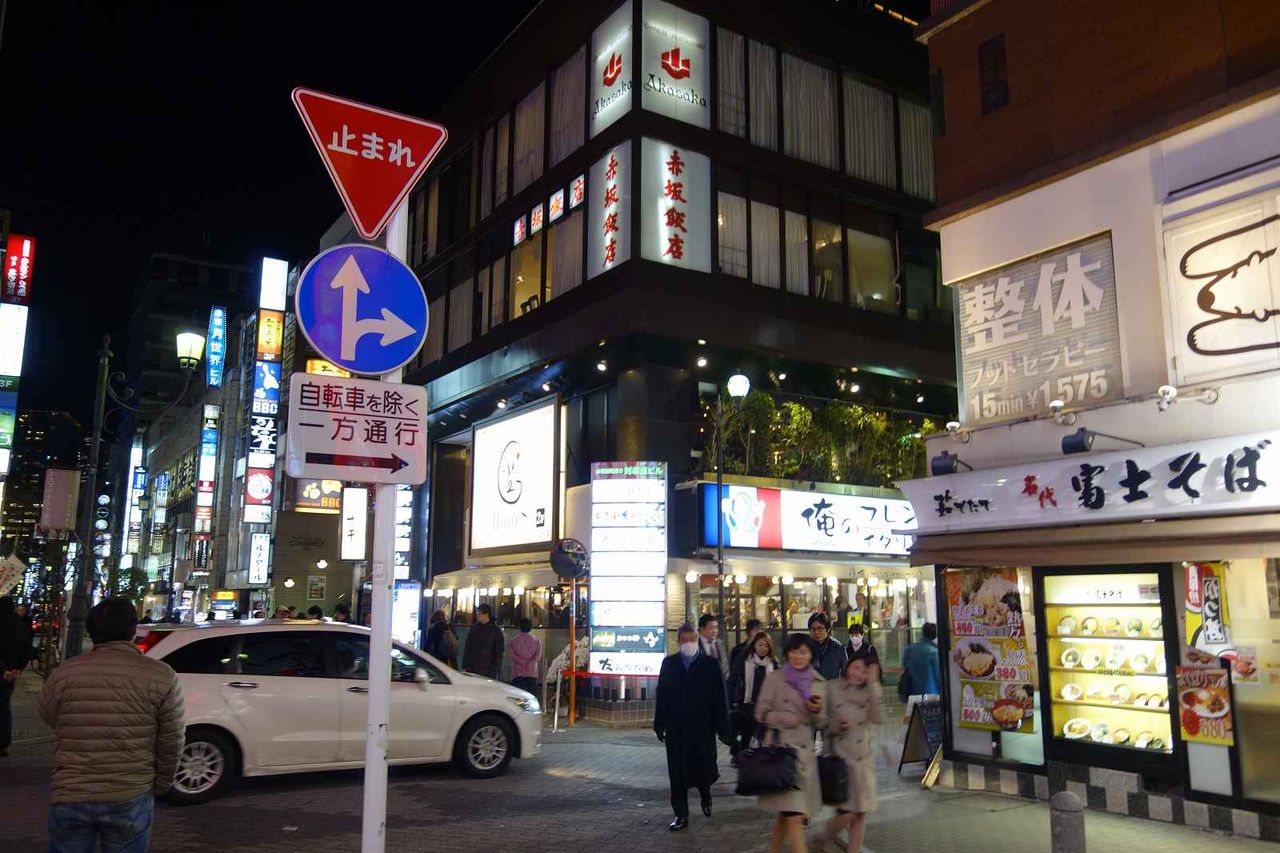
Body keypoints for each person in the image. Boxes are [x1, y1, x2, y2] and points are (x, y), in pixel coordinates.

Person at [39, 597, 184, 852]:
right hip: (130, 791)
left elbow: (49, 715)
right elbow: (172, 739)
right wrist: (162, 783)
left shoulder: (65, 672)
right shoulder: (161, 675)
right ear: (132, 630)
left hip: (72, 789)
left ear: (91, 631)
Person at [755, 633, 828, 852]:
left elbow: (822, 722)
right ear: (787, 654)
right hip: (781, 755)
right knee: (794, 816)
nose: (798, 656)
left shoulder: (818, 682)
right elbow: (760, 713)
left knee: (787, 815)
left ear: (810, 655)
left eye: (803, 652)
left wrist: (816, 711)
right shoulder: (775, 679)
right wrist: (786, 719)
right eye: (793, 651)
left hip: (803, 758)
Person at [654, 624, 730, 832]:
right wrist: (659, 723)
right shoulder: (669, 664)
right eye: (685, 640)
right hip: (676, 728)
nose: (688, 643)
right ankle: (681, 814)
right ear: (679, 641)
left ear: (697, 640)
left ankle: (705, 794)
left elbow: (719, 698)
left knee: (703, 769)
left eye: (692, 639)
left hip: (702, 728)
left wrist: (723, 728)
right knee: (677, 773)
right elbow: (662, 695)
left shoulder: (710, 665)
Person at [822, 656, 884, 853]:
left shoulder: (869, 691)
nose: (859, 674)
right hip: (841, 759)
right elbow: (820, 721)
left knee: (860, 813)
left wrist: (874, 686)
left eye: (865, 671)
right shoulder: (832, 687)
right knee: (847, 812)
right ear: (848, 666)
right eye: (856, 667)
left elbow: (879, 718)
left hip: (863, 759)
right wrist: (836, 725)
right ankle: (824, 837)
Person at [727, 631, 778, 760]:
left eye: (766, 645)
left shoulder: (773, 663)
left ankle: (761, 762)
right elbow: (732, 680)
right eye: (760, 645)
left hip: (766, 707)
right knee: (746, 736)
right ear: (754, 645)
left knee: (765, 738)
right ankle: (742, 760)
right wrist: (732, 701)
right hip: (746, 706)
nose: (763, 648)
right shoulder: (745, 659)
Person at [1, 596, 33, 757]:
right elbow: (27, 649)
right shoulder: (20, 625)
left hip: (3, 669)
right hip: (11, 672)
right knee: (4, 706)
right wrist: (18, 668)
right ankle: (3, 743)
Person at [899, 622, 941, 717]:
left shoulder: (909, 649)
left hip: (912, 695)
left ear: (922, 633)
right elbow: (938, 677)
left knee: (915, 720)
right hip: (931, 696)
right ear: (935, 635)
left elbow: (904, 666)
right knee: (930, 722)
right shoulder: (935, 652)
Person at [462, 603, 505, 678]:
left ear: (486, 614)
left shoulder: (495, 630)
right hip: (474, 666)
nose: (477, 615)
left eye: (479, 613)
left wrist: (497, 668)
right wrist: (465, 664)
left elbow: (499, 652)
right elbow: (468, 647)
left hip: (488, 668)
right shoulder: (474, 629)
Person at [808, 612, 847, 681]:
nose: (816, 632)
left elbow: (846, 673)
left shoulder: (838, 648)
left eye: (820, 628)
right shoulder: (806, 647)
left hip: (831, 686)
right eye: (813, 629)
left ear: (828, 629)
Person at [508, 618, 541, 695]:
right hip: (532, 672)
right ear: (530, 627)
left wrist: (522, 662)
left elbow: (512, 655)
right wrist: (530, 663)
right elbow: (537, 656)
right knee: (532, 695)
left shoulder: (513, 641)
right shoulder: (537, 641)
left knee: (517, 695)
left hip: (518, 672)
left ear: (520, 627)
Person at [697, 613, 729, 681]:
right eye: (711, 628)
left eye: (716, 628)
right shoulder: (695, 645)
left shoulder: (721, 643)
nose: (715, 631)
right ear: (701, 629)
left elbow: (725, 665)